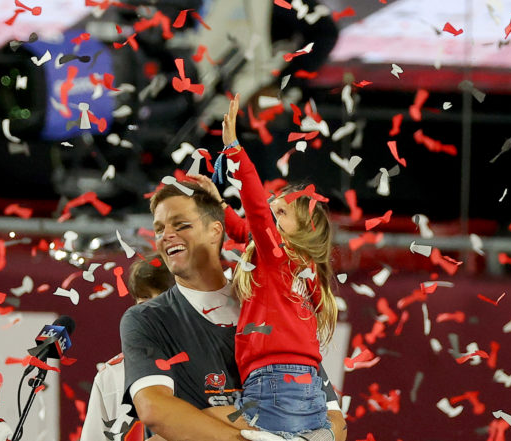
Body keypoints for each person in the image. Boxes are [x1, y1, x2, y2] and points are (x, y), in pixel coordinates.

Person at [119, 173, 346, 440]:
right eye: (159, 229)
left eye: (181, 225)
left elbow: (335, 419)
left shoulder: (270, 305)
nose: (167, 236)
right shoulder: (146, 318)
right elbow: (155, 410)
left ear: (216, 231)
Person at [188, 94, 337, 439]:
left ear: (304, 229)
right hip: (306, 385)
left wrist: (234, 149)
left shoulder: (280, 257)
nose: (271, 216)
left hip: (275, 383)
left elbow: (254, 214)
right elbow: (245, 232)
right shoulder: (299, 265)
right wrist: (219, 203)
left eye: (280, 214)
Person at [82, 254, 174, 441]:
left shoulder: (212, 363)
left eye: (165, 296)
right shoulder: (112, 374)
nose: (152, 307)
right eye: (144, 298)